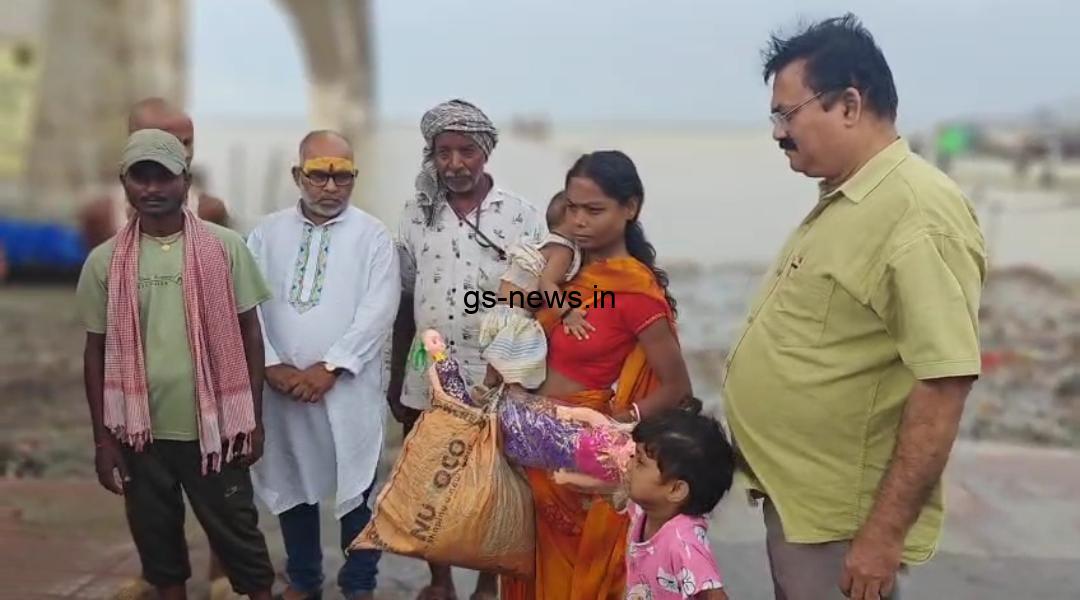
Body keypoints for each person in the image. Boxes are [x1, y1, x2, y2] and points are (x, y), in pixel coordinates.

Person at [723, 14, 987, 600]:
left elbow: (944, 382)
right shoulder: (850, 198)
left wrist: (882, 538)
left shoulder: (916, 210)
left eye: (787, 115)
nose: (778, 133)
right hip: (804, 502)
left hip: (844, 524)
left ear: (848, 104)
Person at [76, 129, 275, 600]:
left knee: (242, 545)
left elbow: (251, 333)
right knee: (160, 552)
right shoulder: (104, 262)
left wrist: (252, 419)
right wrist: (104, 440)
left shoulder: (225, 247)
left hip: (217, 430)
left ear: (185, 181)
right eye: (139, 177)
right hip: (139, 434)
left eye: (163, 177)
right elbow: (95, 351)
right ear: (125, 183)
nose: (151, 188)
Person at [501, 150, 693, 600]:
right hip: (529, 446)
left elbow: (677, 388)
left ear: (630, 208)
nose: (579, 221)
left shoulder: (636, 292)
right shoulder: (564, 272)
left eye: (594, 210)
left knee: (577, 581)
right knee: (529, 575)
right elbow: (509, 315)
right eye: (571, 208)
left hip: (581, 459)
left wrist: (613, 424)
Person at [388, 98, 546, 600]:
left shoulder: (521, 216)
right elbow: (405, 297)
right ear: (431, 155)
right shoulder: (415, 214)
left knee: (493, 482)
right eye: (444, 153)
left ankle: (485, 583)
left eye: (466, 152)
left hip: (495, 376)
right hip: (428, 371)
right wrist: (396, 378)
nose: (455, 164)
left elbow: (540, 302)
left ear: (486, 152)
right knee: (430, 478)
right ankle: (439, 583)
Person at [247, 130, 399, 600]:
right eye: (319, 175)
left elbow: (380, 310)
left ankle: (359, 585)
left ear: (354, 177)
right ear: (298, 175)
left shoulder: (373, 236)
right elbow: (246, 304)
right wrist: (271, 365)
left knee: (358, 487)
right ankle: (305, 581)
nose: (331, 187)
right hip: (283, 390)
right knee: (293, 481)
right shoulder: (265, 234)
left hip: (348, 387)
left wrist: (330, 368)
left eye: (342, 176)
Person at [79, 97, 230, 250]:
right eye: (171, 143)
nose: (184, 153)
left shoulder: (209, 211)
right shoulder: (103, 215)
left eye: (187, 142)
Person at [479, 190, 589, 391]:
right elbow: (547, 283)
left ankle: (486, 391)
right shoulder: (563, 250)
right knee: (518, 382)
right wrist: (567, 313)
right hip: (517, 319)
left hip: (499, 315)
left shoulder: (544, 244)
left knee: (496, 376)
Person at [624, 406, 734, 600]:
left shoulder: (683, 543)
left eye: (640, 462)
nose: (629, 464)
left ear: (676, 490)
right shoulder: (644, 511)